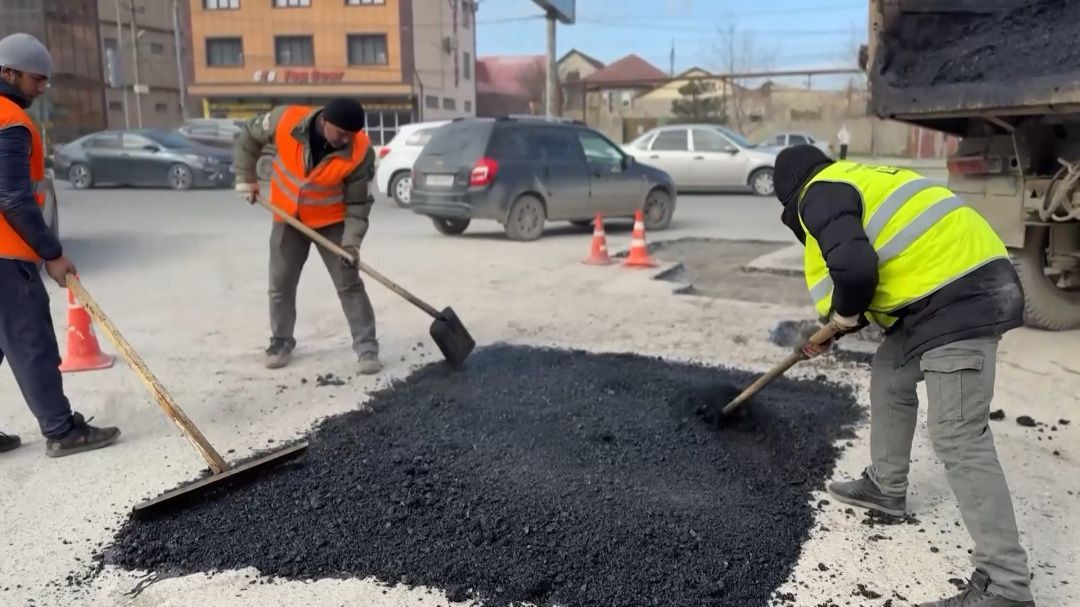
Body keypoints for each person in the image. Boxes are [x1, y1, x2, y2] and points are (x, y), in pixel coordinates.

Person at [774, 144, 1035, 607]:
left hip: (962, 295)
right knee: (891, 371)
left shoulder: (818, 193)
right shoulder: (856, 180)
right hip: (939, 294)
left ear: (792, 202)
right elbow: (879, 281)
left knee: (956, 432)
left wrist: (843, 317)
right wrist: (833, 332)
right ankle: (886, 488)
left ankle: (1005, 585)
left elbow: (855, 272)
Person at [0, 33, 121, 457]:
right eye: (37, 79)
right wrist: (51, 252)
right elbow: (13, 196)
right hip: (6, 255)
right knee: (31, 341)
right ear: (8, 73)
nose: (43, 87)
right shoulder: (9, 119)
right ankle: (61, 431)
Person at [232, 98, 381, 373]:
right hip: (288, 217)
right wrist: (246, 177)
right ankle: (280, 341)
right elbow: (249, 136)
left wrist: (351, 244)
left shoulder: (360, 151)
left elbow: (359, 205)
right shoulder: (286, 120)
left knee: (348, 282)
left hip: (331, 221)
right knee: (281, 283)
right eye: (342, 133)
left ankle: (367, 347)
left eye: (352, 134)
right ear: (324, 121)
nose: (347, 140)